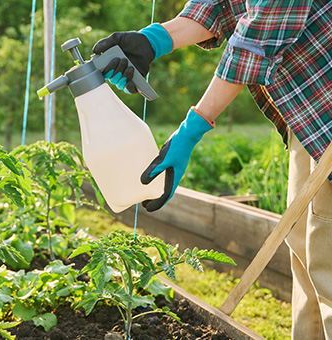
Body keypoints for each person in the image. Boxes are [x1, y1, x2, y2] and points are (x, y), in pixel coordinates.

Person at [93, 0, 332, 339]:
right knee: (304, 246)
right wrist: (153, 40)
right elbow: (225, 4)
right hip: (309, 114)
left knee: (328, 253)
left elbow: (256, 38)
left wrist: (191, 130)